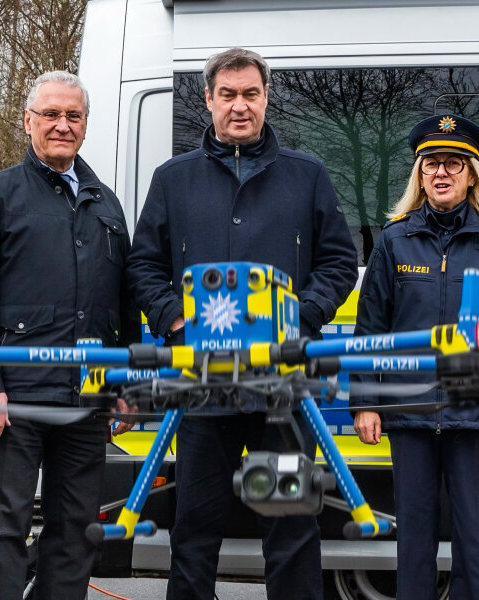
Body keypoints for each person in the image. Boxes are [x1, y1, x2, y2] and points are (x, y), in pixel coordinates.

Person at [126, 48, 358, 600]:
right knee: (195, 529)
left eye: (250, 94)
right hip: (201, 390)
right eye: (227, 95)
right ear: (208, 100)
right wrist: (174, 319)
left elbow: (340, 262)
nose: (239, 106)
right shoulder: (173, 179)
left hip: (282, 392)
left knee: (291, 527)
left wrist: (296, 316)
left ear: (265, 97)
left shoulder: (307, 175)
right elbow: (144, 264)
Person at [0, 70, 139, 600]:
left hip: (87, 398)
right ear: (28, 120)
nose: (62, 124)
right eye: (50, 114)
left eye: (72, 116)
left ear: (85, 126)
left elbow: (123, 305)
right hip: (15, 396)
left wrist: (120, 385)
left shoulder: (107, 204)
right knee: (6, 529)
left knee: (77, 532)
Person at [351, 114, 479, 600]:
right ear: (419, 174)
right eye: (431, 163)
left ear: (472, 174)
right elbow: (371, 327)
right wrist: (366, 401)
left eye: (454, 164)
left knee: (474, 538)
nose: (441, 173)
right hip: (409, 409)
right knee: (413, 540)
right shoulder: (393, 240)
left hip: (478, 410)